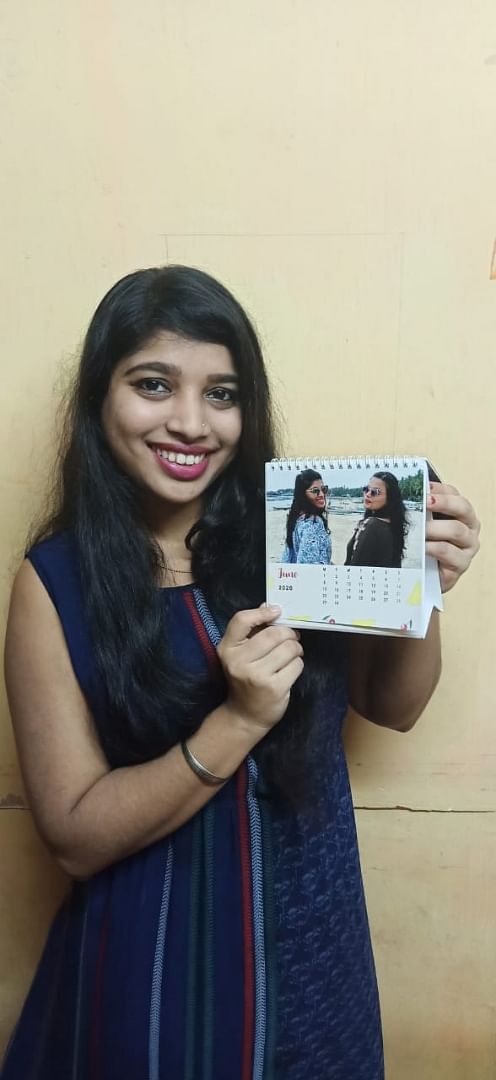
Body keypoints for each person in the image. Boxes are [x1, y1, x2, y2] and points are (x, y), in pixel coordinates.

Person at [2, 266, 479, 1080]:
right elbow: (75, 837)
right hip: (154, 983)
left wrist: (421, 589)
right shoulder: (57, 583)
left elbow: (390, 708)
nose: (191, 423)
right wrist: (238, 721)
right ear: (100, 398)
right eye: (154, 385)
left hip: (316, 969)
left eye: (222, 394)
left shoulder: (300, 531)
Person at [345, 471, 408, 568]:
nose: (368, 494)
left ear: (390, 498)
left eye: (375, 492)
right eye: (366, 489)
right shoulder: (394, 527)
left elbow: (356, 569)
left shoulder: (372, 525)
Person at [281, 469, 332, 563]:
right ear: (303, 495)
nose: (321, 494)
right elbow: (310, 567)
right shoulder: (313, 523)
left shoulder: (296, 519)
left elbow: (288, 558)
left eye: (324, 489)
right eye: (315, 491)